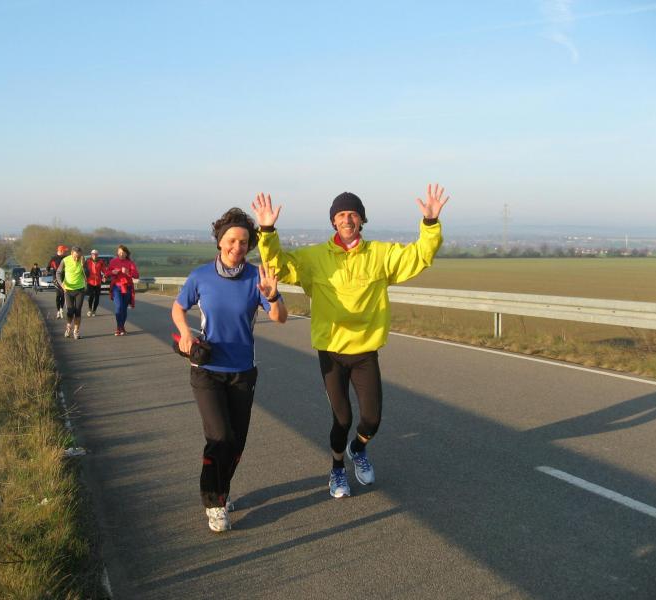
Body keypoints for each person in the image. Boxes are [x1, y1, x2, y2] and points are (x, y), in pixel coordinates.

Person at [252, 185, 449, 499]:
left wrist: (430, 223)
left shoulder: (380, 255)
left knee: (371, 419)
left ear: (362, 220)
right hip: (331, 351)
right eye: (341, 214)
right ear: (333, 221)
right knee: (342, 419)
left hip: (365, 351)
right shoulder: (315, 257)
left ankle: (358, 449)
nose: (347, 219)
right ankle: (337, 469)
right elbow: (279, 266)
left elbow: (419, 256)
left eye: (353, 214)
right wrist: (266, 230)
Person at [172, 207, 288, 533]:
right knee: (219, 436)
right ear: (220, 241)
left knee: (236, 442)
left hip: (242, 371)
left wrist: (273, 296)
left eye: (244, 242)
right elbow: (178, 307)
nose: (237, 247)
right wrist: (184, 333)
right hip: (206, 369)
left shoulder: (256, 277)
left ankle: (221, 490)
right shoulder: (201, 276)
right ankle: (213, 502)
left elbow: (280, 317)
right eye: (232, 240)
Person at [56, 246, 89, 339]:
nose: (76, 258)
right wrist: (61, 284)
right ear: (71, 254)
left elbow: (88, 275)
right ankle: (68, 328)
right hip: (68, 289)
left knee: (78, 311)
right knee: (70, 311)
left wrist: (83, 266)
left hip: (80, 289)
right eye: (75, 256)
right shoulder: (65, 260)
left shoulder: (83, 261)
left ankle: (76, 331)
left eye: (78, 256)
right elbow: (58, 273)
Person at [107, 244, 139, 336]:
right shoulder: (113, 261)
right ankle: (119, 327)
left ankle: (122, 327)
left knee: (124, 309)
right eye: (119, 252)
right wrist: (112, 272)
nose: (121, 254)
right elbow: (107, 272)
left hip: (127, 287)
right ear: (117, 253)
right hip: (116, 287)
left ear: (126, 254)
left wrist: (128, 272)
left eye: (123, 252)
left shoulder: (130, 263)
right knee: (119, 307)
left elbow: (136, 275)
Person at [48, 245, 69, 318]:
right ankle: (58, 311)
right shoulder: (53, 258)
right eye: (65, 251)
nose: (66, 252)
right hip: (56, 279)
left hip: (64, 279)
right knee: (58, 295)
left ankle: (61, 309)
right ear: (61, 251)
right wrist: (53, 274)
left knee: (63, 295)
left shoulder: (66, 258)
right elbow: (48, 268)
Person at [85, 249, 107, 317]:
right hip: (90, 281)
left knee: (97, 297)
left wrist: (104, 276)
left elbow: (104, 270)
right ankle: (89, 309)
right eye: (93, 254)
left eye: (95, 254)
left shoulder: (101, 262)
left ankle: (94, 310)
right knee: (91, 296)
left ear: (97, 255)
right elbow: (83, 269)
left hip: (98, 282)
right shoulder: (88, 261)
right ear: (91, 255)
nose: (94, 255)